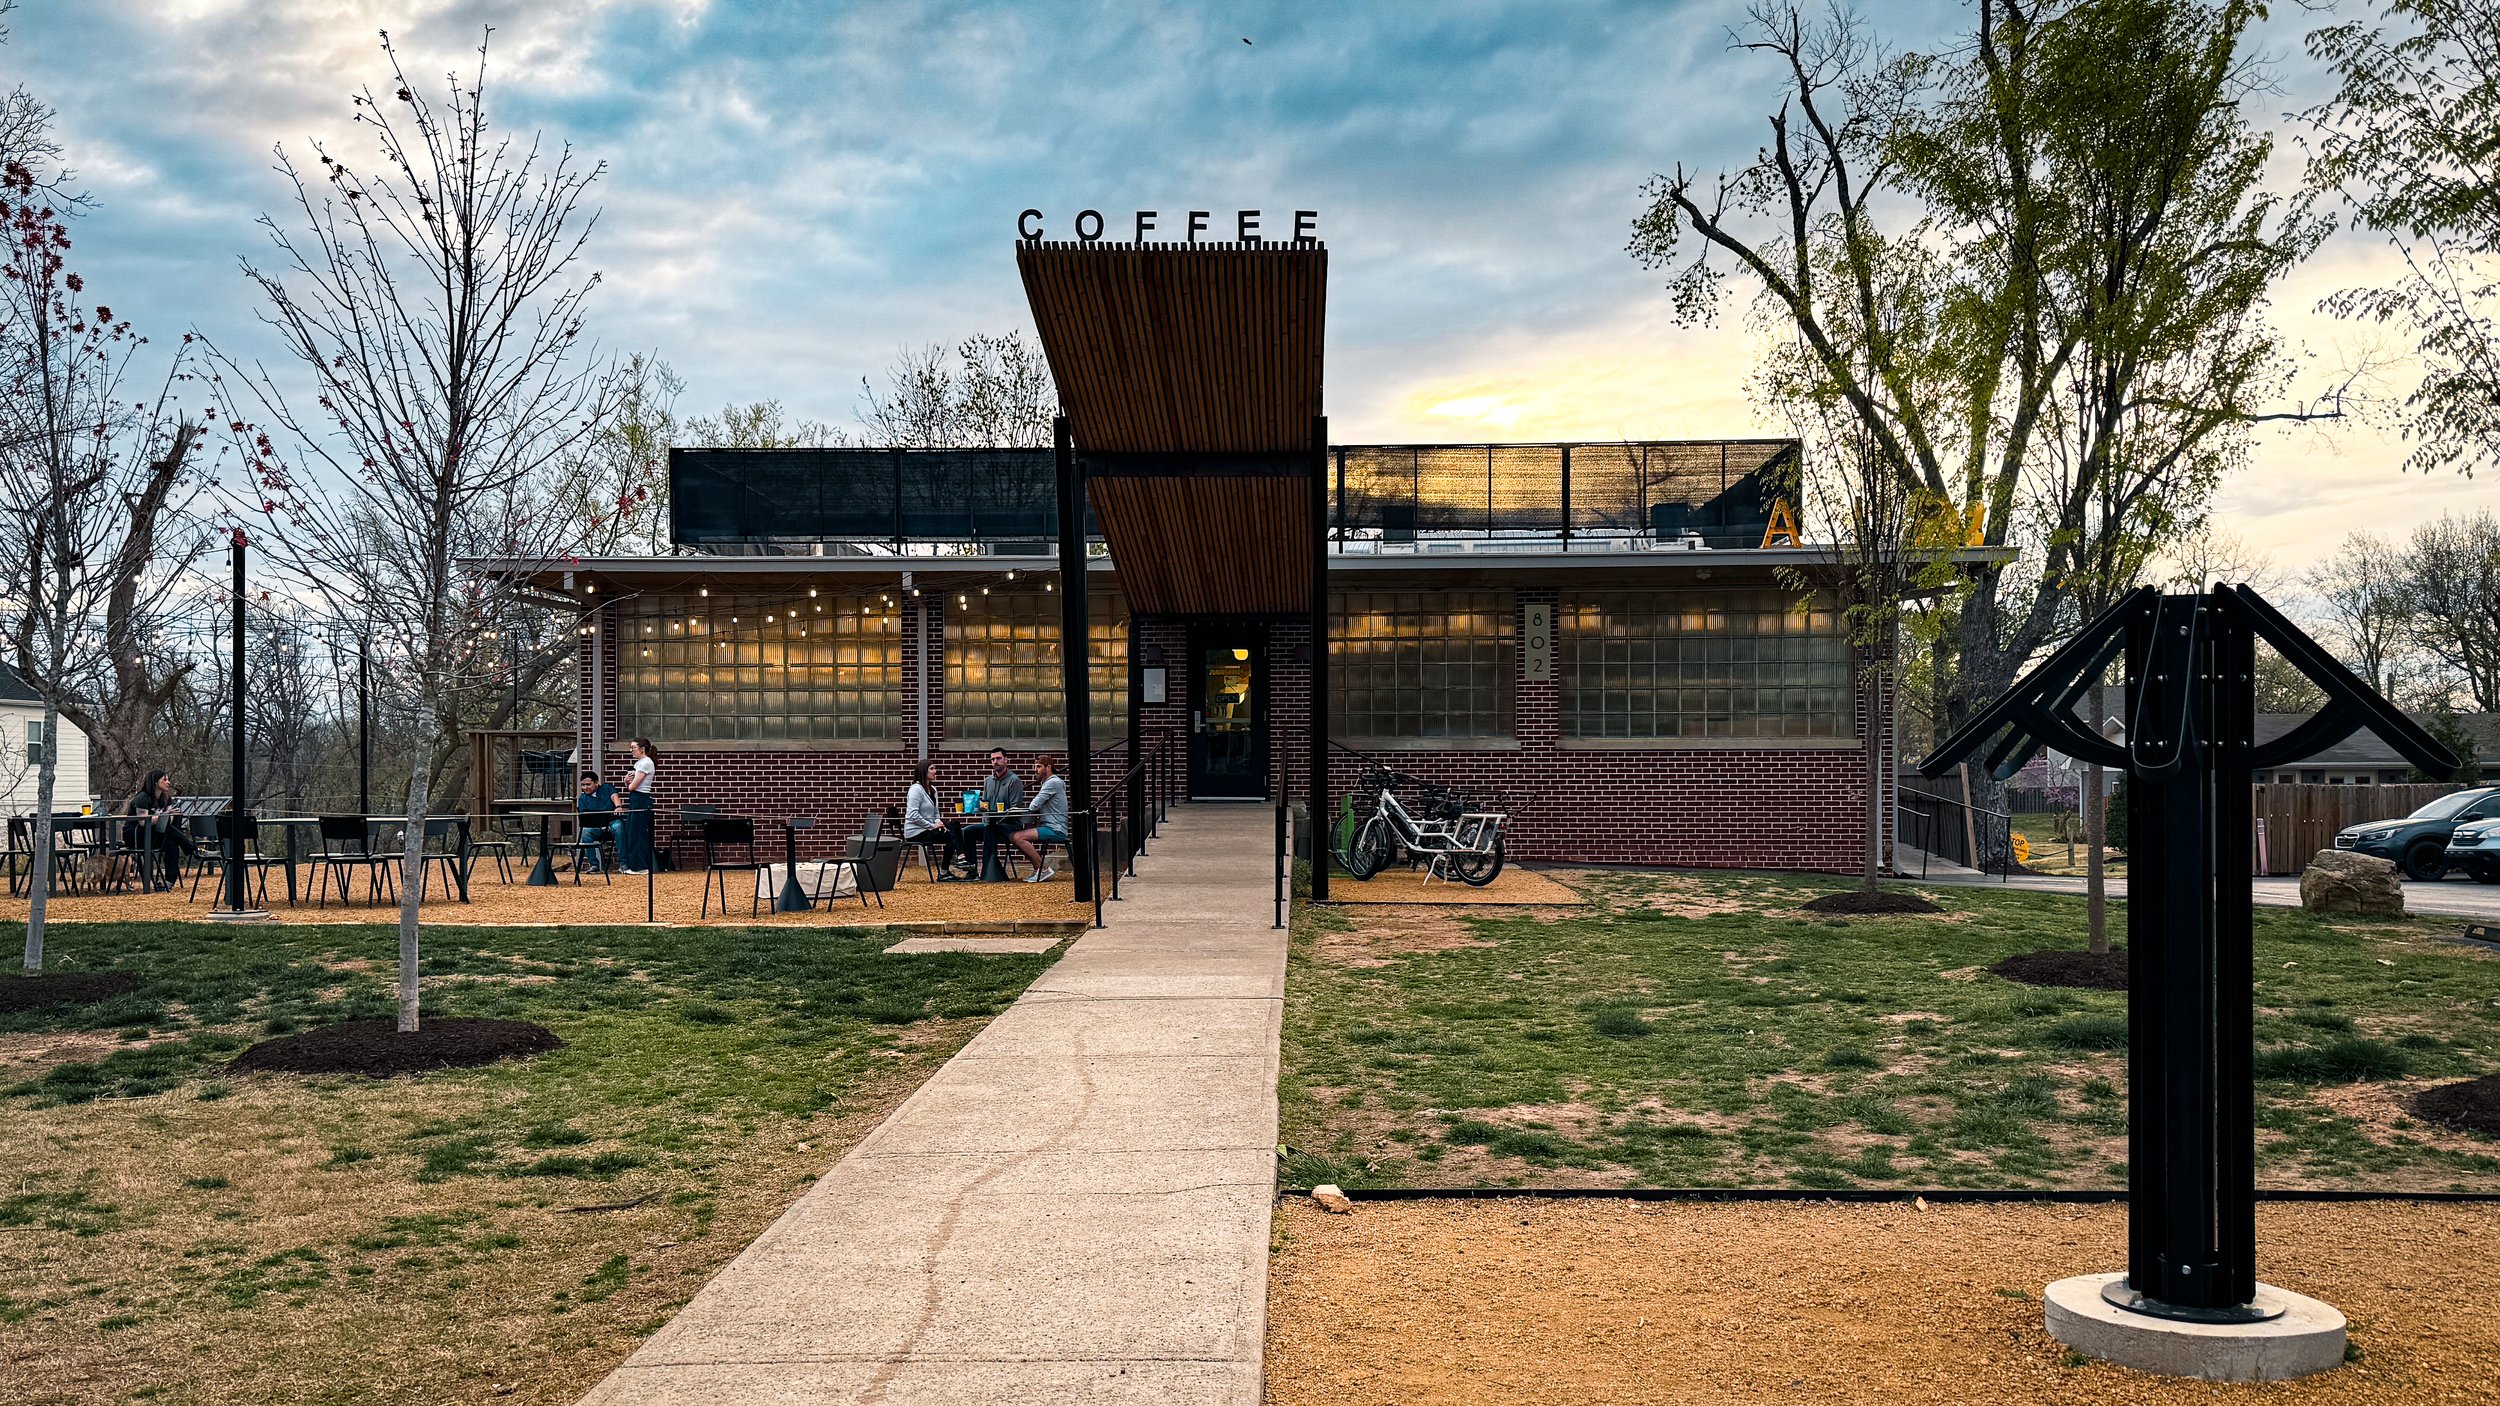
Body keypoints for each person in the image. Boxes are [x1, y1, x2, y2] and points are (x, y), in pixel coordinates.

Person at [124, 769, 199, 891]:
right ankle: (192, 849)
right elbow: (143, 822)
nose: (168, 782)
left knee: (172, 844)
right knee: (169, 831)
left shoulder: (166, 798)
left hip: (155, 835)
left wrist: (169, 815)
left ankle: (168, 881)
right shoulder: (142, 798)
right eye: (164, 780)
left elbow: (166, 823)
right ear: (155, 782)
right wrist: (164, 815)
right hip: (136, 835)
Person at [902, 760, 963, 881]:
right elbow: (913, 815)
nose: (935, 771)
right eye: (932, 768)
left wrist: (939, 823)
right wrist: (932, 826)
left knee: (954, 825)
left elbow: (936, 813)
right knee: (952, 836)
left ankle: (960, 857)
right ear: (924, 771)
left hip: (928, 828)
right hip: (916, 832)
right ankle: (946, 871)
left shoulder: (933, 790)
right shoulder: (916, 790)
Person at [1012, 754, 1068, 884]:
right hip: (1050, 826)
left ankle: (1042, 869)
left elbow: (1034, 805)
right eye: (1034, 766)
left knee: (1018, 837)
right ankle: (1039, 869)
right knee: (1013, 836)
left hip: (1055, 829)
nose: (1035, 769)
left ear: (1048, 767)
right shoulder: (1050, 782)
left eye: (1038, 766)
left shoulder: (1053, 782)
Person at [973, 747, 1026, 880]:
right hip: (990, 824)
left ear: (1006, 760)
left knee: (990, 829)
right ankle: (971, 871)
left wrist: (995, 819)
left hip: (1010, 826)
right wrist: (978, 805)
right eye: (992, 759)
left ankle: (988, 871)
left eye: (998, 758)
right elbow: (985, 804)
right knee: (968, 831)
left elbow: (1015, 809)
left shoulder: (1014, 781)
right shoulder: (988, 781)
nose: (995, 761)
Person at [617, 739, 657, 873]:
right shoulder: (639, 763)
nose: (631, 750)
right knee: (632, 831)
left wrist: (627, 783)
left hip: (641, 799)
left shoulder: (645, 763)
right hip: (636, 798)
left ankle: (640, 865)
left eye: (633, 747)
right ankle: (634, 864)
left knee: (638, 833)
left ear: (642, 749)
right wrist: (627, 782)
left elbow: (633, 786)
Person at [576, 771, 618, 874]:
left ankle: (624, 864)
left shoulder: (607, 788)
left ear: (596, 783)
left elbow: (614, 796)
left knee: (619, 827)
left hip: (612, 822)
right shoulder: (582, 798)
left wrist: (618, 806)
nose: (585, 787)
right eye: (583, 785)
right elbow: (586, 818)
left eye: (588, 784)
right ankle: (594, 864)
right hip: (597, 827)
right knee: (585, 832)